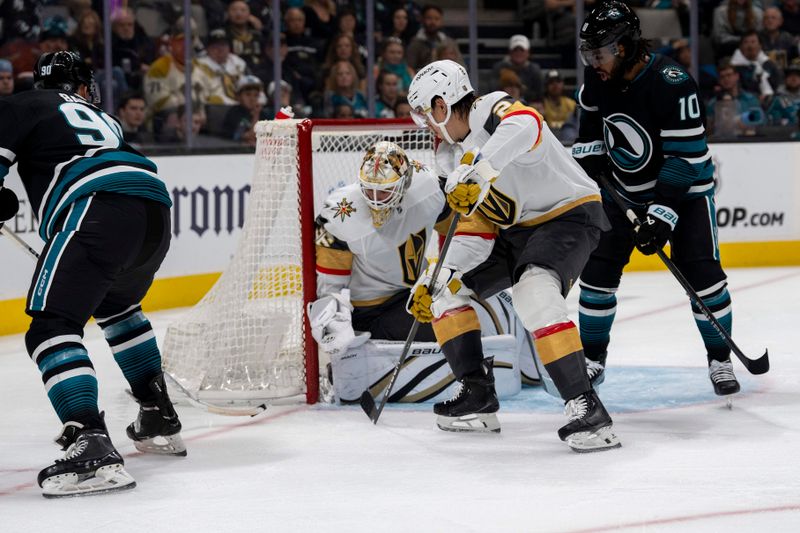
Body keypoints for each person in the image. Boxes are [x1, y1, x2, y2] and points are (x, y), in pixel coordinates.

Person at [0, 51, 184, 498]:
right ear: (82, 85)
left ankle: (90, 441)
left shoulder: (21, 104)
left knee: (50, 327)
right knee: (117, 306)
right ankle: (157, 413)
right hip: (155, 211)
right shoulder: (104, 118)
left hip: (97, 207)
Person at [406, 60, 616, 450]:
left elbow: (530, 123)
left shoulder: (491, 109)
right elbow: (476, 232)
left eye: (425, 115)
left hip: (569, 213)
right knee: (442, 292)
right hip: (518, 231)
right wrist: (442, 272)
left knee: (533, 292)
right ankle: (477, 396)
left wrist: (481, 168)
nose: (428, 126)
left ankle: (587, 407)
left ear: (441, 105)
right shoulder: (451, 160)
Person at [573, 2, 741, 398]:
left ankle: (720, 359)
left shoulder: (673, 82)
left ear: (627, 46)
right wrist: (594, 162)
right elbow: (590, 137)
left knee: (704, 280)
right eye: (590, 53)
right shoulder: (597, 79)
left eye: (601, 52)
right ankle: (593, 359)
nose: (594, 61)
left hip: (686, 193)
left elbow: (686, 159)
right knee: (596, 278)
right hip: (622, 191)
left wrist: (661, 216)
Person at [308, 141, 542, 403]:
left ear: (404, 184)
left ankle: (536, 368)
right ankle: (485, 381)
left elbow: (464, 226)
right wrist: (334, 325)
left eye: (384, 191)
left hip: (414, 293)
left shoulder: (428, 188)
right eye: (369, 190)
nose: (375, 200)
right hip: (372, 313)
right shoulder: (340, 214)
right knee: (461, 331)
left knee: (491, 301)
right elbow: (330, 288)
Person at [706, 58, 764, 137]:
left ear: (737, 76)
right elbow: (708, 130)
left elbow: (762, 123)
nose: (726, 79)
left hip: (749, 141)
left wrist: (748, 125)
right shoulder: (713, 103)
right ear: (719, 80)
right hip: (723, 143)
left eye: (729, 75)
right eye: (722, 77)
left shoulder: (751, 99)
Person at [198, 28, 248, 105]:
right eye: (215, 46)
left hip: (240, 106)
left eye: (223, 45)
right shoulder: (199, 66)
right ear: (207, 49)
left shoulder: (239, 63)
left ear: (229, 47)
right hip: (214, 107)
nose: (220, 49)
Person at [406, 5, 464, 70]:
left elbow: (461, 66)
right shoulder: (415, 43)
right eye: (429, 18)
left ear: (442, 21)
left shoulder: (450, 42)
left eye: (437, 19)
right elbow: (409, 68)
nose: (433, 22)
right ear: (422, 19)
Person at [731, 31, 784, 100]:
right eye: (746, 42)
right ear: (741, 47)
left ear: (760, 45)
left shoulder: (768, 64)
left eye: (753, 42)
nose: (750, 46)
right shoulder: (734, 68)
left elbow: (779, 83)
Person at [491, 34, 544, 103]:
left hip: (528, 105)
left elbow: (539, 94)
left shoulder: (535, 69)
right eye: (515, 50)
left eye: (522, 50)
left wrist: (521, 90)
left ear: (528, 52)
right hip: (503, 104)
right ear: (510, 52)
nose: (518, 53)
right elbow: (492, 90)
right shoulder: (499, 67)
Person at [222, 75, 270, 145]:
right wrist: (256, 116)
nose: (252, 99)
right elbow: (251, 137)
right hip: (236, 152)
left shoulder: (263, 114)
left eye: (256, 95)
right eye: (248, 95)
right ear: (238, 96)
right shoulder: (234, 113)